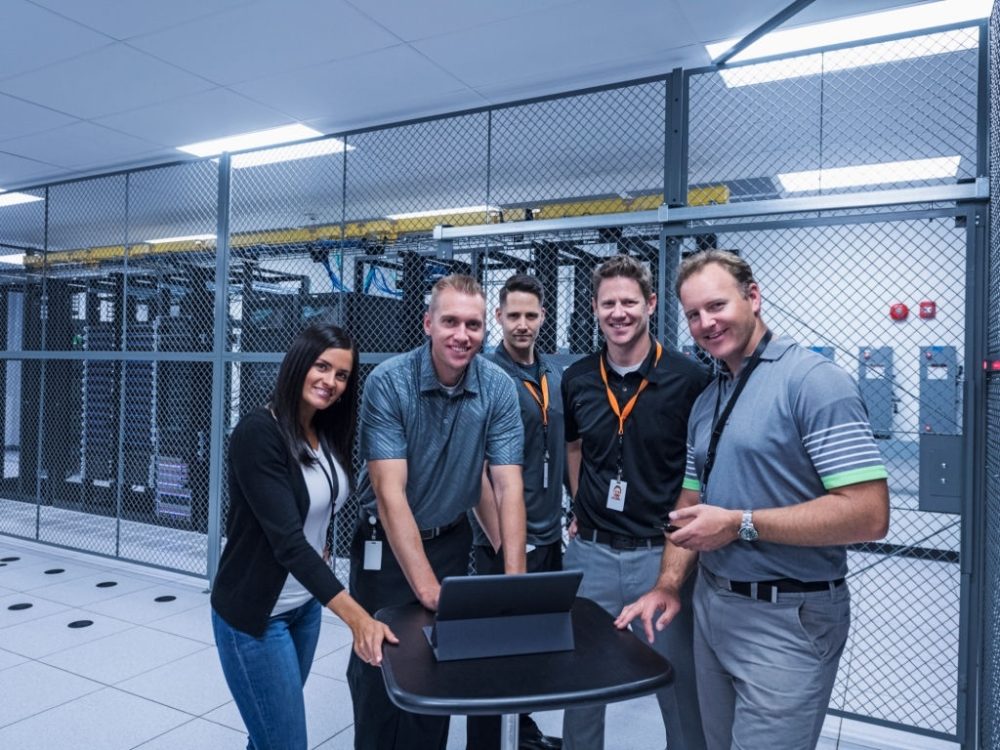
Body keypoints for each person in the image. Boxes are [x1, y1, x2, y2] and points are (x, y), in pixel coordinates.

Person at [617, 249, 890, 750]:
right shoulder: (709, 398)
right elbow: (691, 500)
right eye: (694, 314)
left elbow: (869, 514)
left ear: (754, 297)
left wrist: (741, 523)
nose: (706, 323)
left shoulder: (813, 382)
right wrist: (670, 585)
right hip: (713, 606)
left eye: (717, 306)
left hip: (787, 616)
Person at [347, 273, 527, 750]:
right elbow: (391, 495)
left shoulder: (499, 388)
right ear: (427, 323)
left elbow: (508, 485)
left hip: (450, 541)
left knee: (436, 676)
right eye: (450, 322)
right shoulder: (389, 382)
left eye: (473, 324)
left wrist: (516, 588)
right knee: (378, 671)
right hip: (383, 549)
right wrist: (428, 590)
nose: (461, 335)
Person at [211, 323, 397, 750]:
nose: (330, 382)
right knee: (285, 742)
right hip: (255, 618)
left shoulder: (325, 432)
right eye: (322, 366)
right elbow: (288, 541)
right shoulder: (258, 433)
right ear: (299, 364)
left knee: (267, 736)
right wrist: (358, 618)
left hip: (303, 608)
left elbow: (322, 506)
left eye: (342, 375)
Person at [560, 254, 710, 750]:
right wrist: (583, 506)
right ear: (596, 310)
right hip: (592, 555)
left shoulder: (690, 380)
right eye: (608, 304)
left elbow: (701, 469)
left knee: (676, 680)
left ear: (649, 304)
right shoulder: (578, 377)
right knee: (581, 682)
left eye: (628, 302)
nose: (618, 313)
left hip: (661, 554)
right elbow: (575, 446)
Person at [466, 274, 566, 750]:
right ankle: (487, 743)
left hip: (547, 534)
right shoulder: (486, 376)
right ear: (498, 319)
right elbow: (478, 469)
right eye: (513, 316)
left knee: (529, 647)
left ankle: (521, 732)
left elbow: (564, 447)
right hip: (505, 540)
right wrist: (506, 542)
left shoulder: (551, 374)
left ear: (543, 316)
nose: (522, 324)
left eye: (531, 315)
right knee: (494, 655)